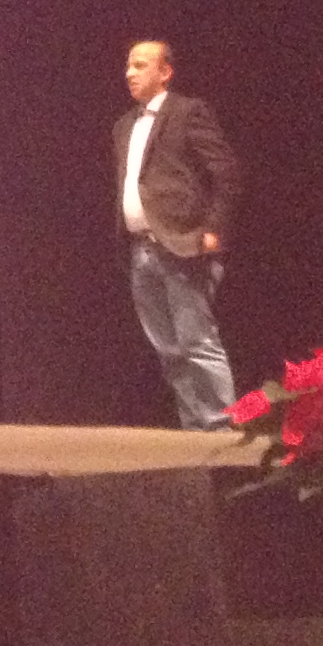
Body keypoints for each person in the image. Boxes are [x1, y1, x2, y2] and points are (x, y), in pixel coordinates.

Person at [113, 39, 241, 431]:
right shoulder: (124, 125)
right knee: (168, 349)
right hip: (141, 248)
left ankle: (221, 428)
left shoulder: (187, 112)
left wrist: (213, 229)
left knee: (197, 341)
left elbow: (226, 173)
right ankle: (195, 430)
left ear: (165, 72)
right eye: (129, 66)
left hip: (183, 244)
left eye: (140, 65)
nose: (130, 73)